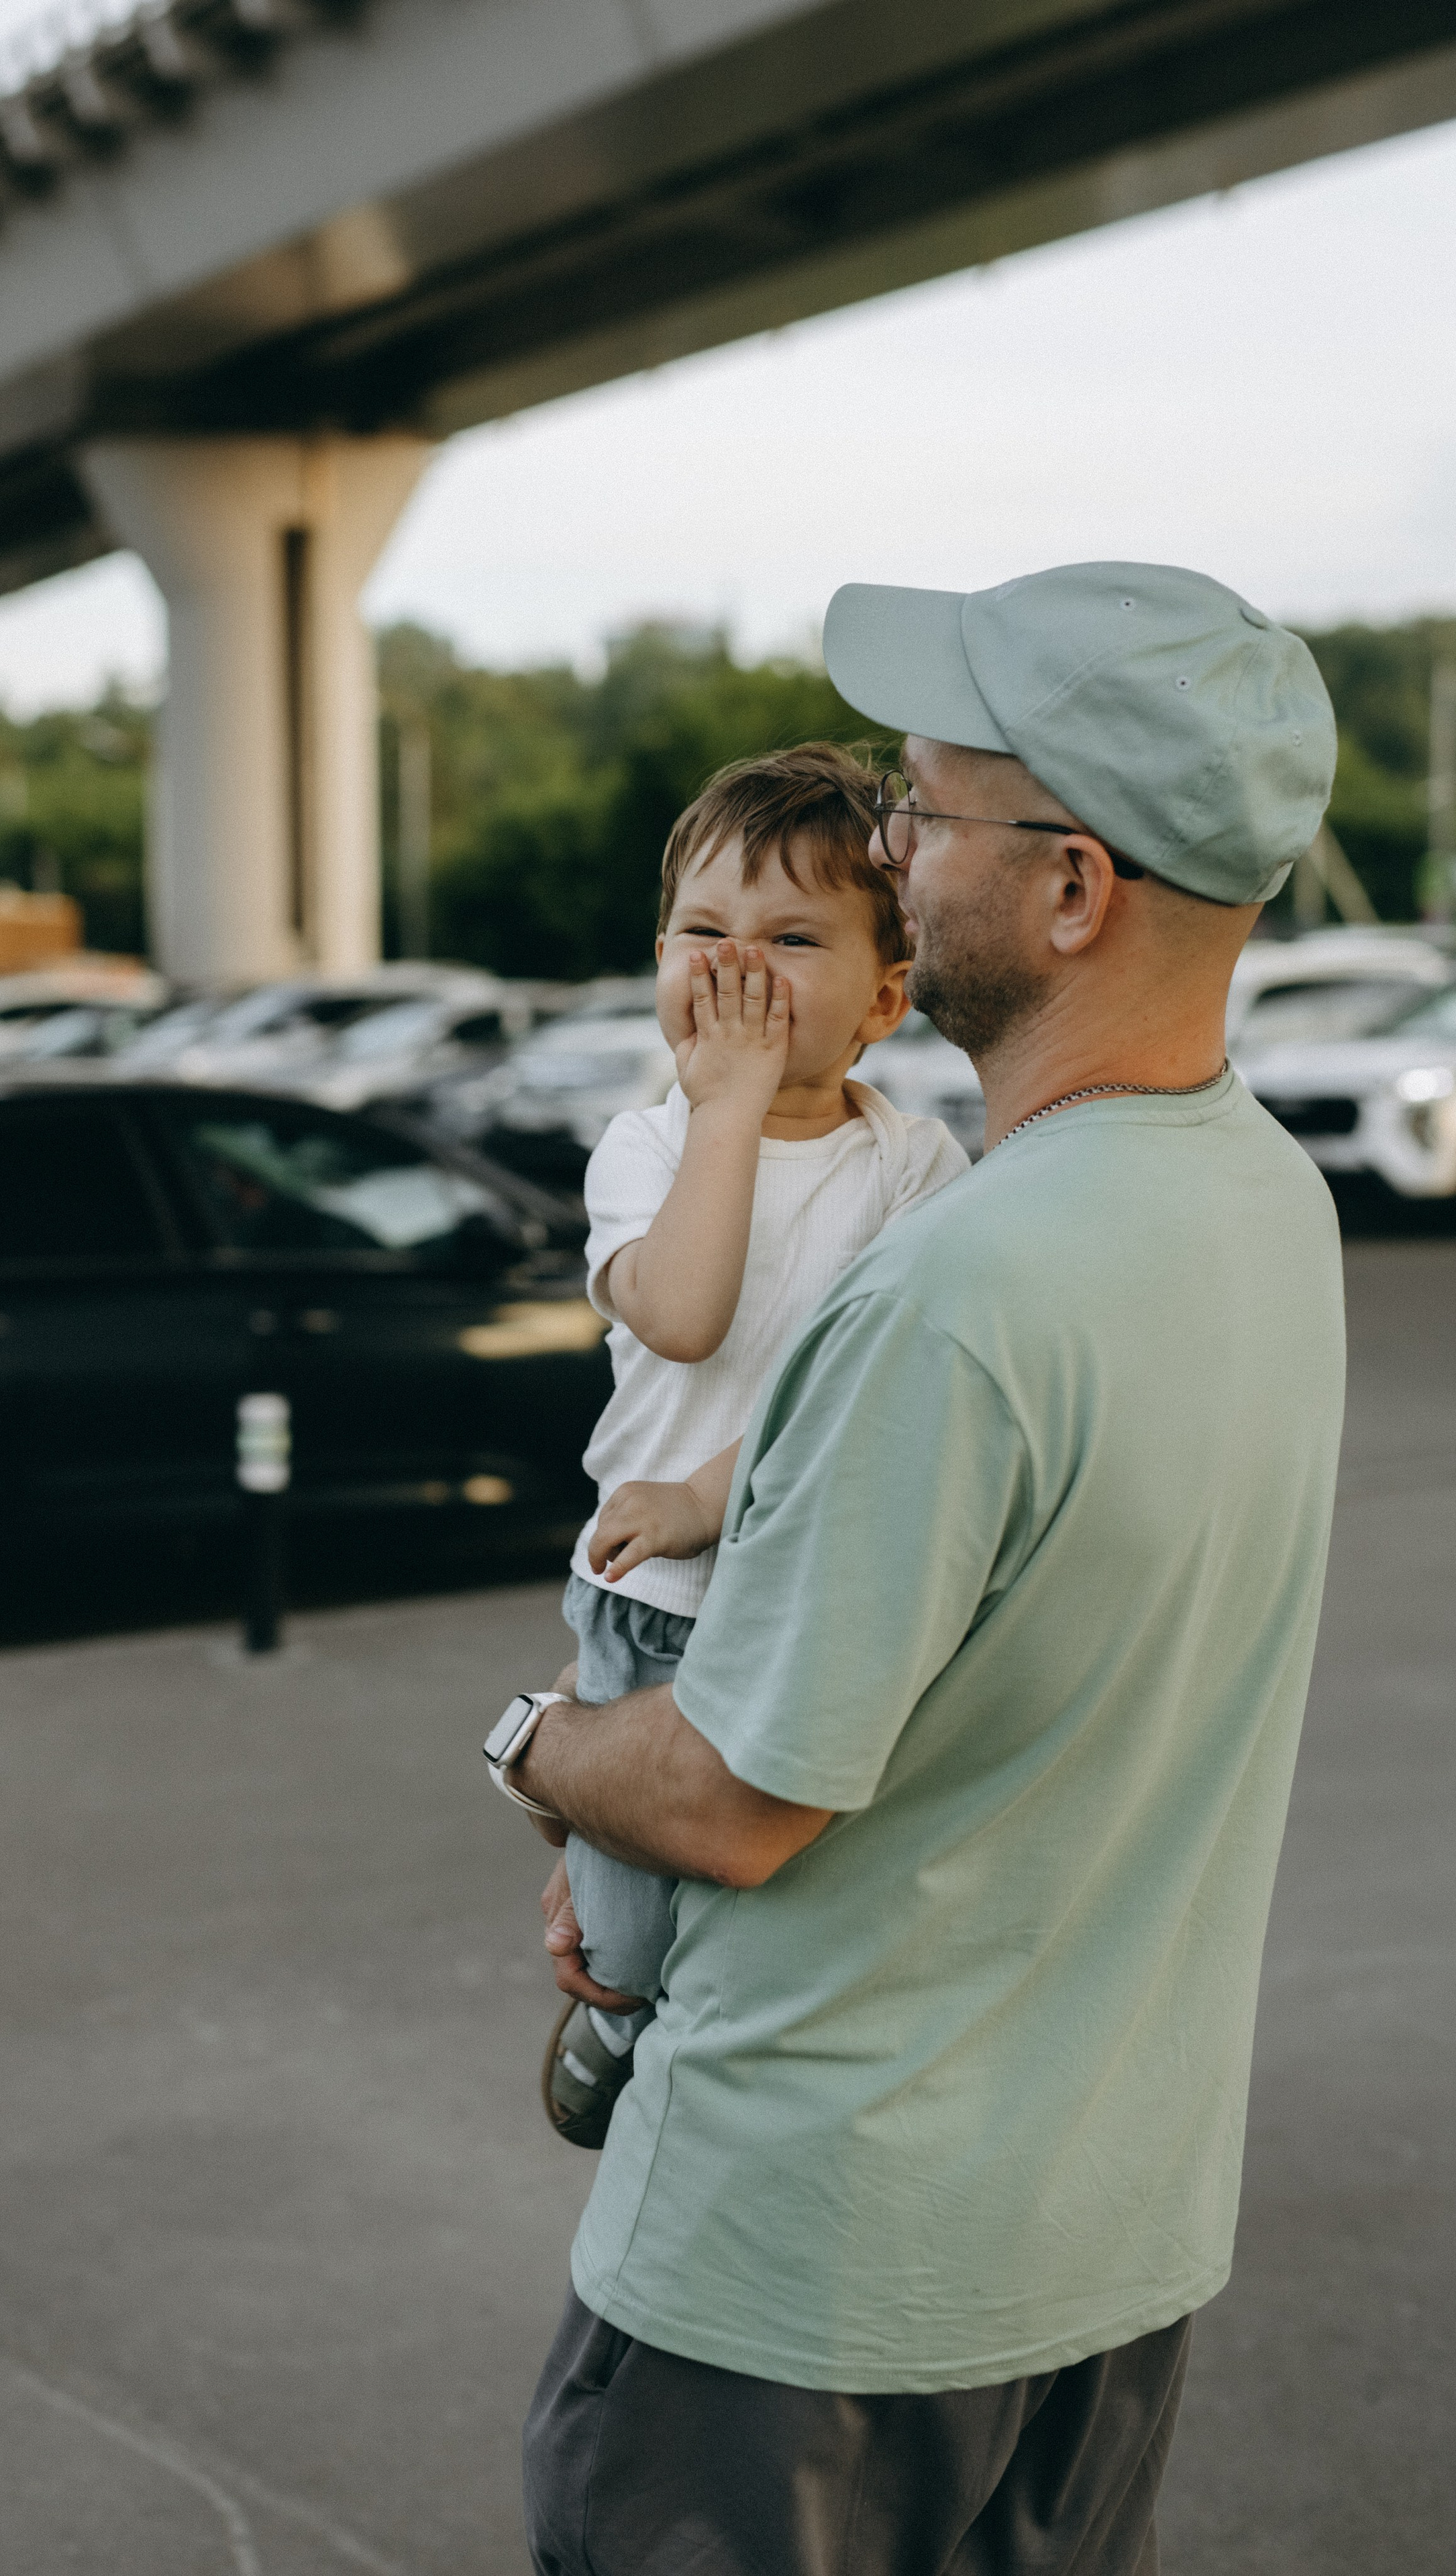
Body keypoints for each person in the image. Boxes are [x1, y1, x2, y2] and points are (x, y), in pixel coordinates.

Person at [487, 563, 1347, 2575]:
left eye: (924, 815)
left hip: (807, 2292)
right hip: (1102, 2250)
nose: (887, 845)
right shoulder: (1263, 1207)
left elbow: (726, 1795)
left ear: (1072, 892)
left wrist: (535, 1738)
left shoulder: (953, 1291)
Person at [539, 743, 968, 2149]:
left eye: (791, 940)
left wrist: (709, 1497)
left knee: (779, 1905)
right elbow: (682, 1310)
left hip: (805, 1595)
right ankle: (610, 2012)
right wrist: (728, 1109)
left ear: (885, 999)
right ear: (656, 961)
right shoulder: (644, 1149)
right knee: (631, 1928)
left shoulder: (908, 1169)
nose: (736, 970)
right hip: (650, 1607)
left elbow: (857, 1395)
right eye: (702, 935)